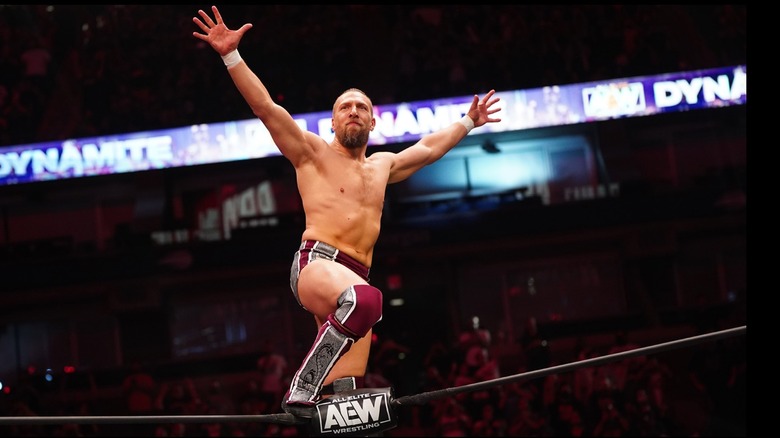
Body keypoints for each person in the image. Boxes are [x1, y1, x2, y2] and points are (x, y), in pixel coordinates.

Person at [192, 5, 502, 418]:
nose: (353, 111)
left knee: (346, 398)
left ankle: (317, 400)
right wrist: (231, 56)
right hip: (317, 265)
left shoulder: (382, 166)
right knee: (367, 300)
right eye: (344, 107)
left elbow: (427, 150)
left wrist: (467, 122)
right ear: (333, 123)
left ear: (373, 122)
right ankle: (301, 387)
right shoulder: (312, 153)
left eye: (361, 107)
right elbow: (266, 107)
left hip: (353, 282)